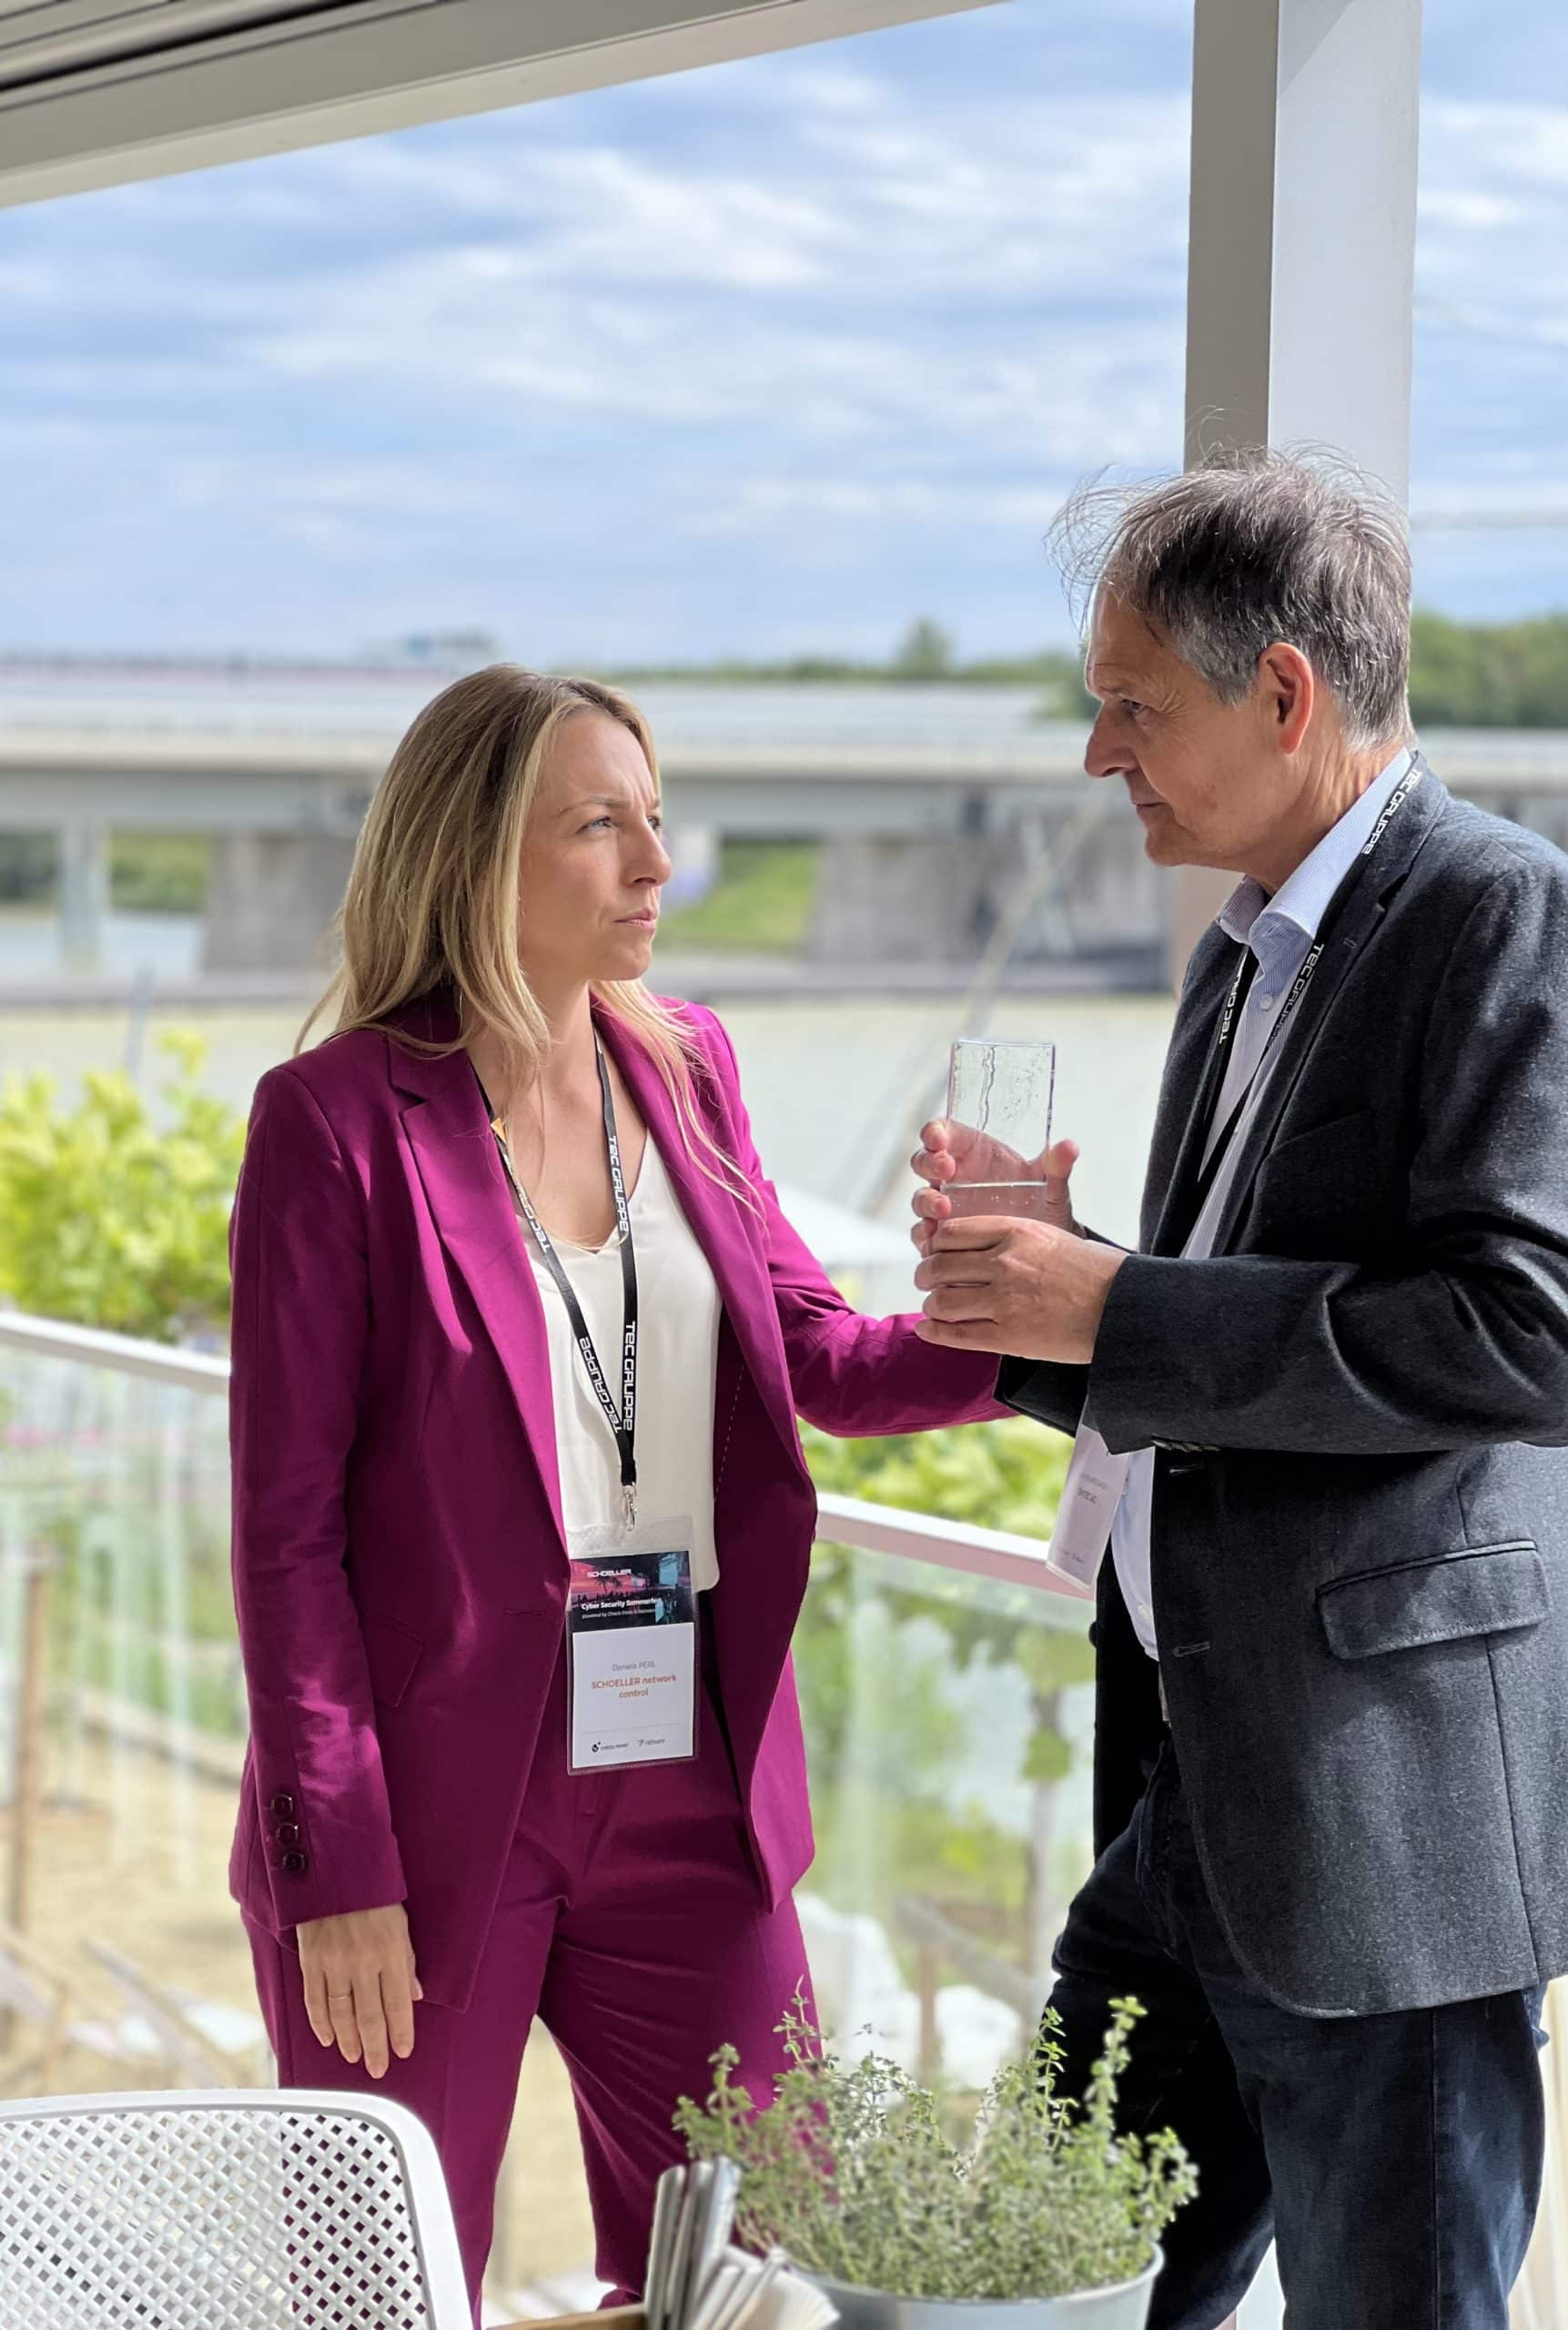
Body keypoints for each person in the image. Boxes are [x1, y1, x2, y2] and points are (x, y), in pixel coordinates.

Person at [909, 451, 1568, 2330]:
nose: (1101, 753)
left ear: (1283, 694)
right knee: (1024, 2283)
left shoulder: (1508, 915)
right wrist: (1055, 1294)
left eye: (1134, 706)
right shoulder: (1239, 956)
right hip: (1198, 1797)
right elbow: (1207, 1348)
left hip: (1394, 1838)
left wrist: (1122, 1305)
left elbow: (1544, 1334)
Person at [227, 665, 1019, 2320]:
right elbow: (287, 1538)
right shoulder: (334, 1123)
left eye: (657, 819)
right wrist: (337, 1867)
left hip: (688, 1774)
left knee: (762, 2269)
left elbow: (815, 1352)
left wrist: (1024, 1311)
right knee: (383, 2287)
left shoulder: (690, 1065)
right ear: (474, 855)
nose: (660, 863)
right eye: (603, 825)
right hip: (429, 1800)